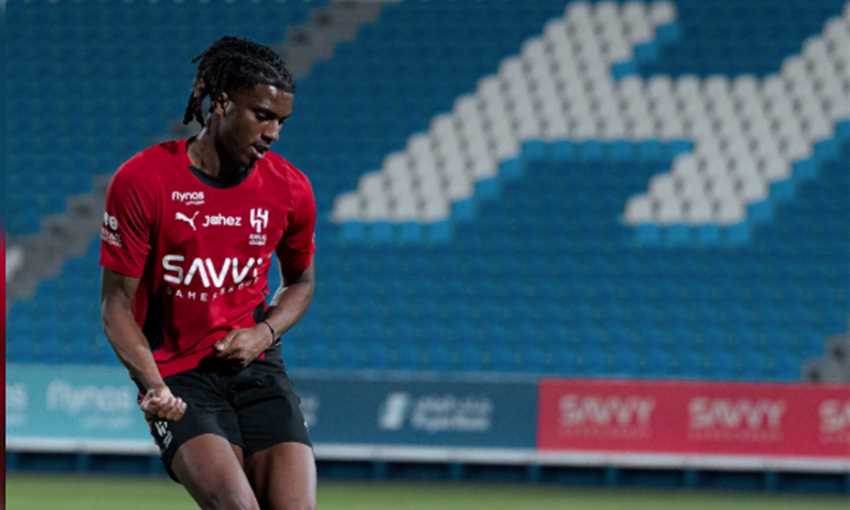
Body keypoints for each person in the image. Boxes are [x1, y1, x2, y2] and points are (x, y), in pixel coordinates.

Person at [100, 36, 317, 510]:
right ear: (221, 102)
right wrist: (153, 385)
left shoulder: (291, 189)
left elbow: (300, 283)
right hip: (179, 379)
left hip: (257, 370)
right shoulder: (143, 181)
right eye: (263, 115)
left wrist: (264, 333)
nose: (274, 133)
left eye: (281, 122)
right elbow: (115, 306)